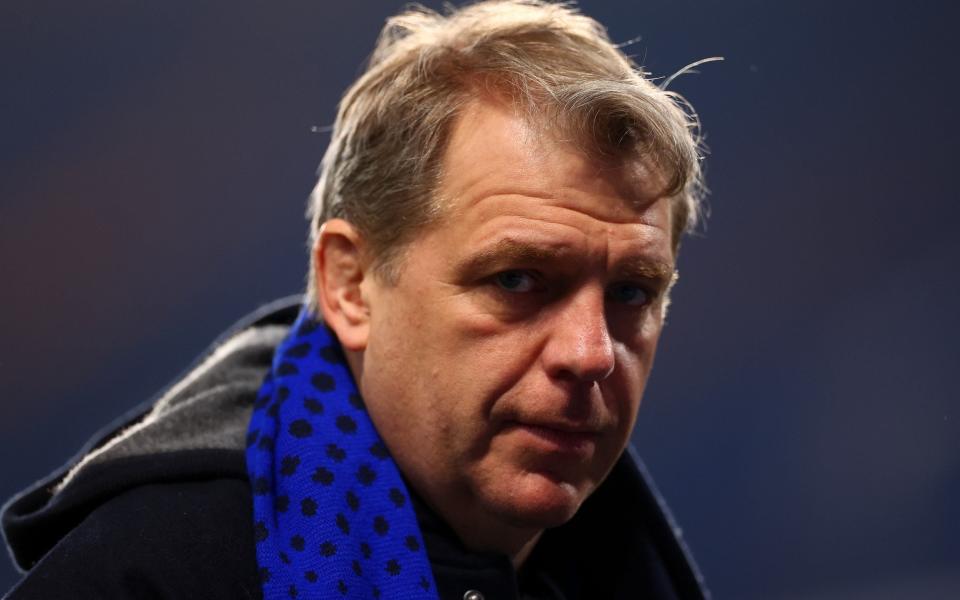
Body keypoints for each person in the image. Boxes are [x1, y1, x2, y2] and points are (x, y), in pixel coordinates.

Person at [2, 1, 710, 598]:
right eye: (516, 280)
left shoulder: (631, 565)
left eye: (630, 292)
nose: (589, 353)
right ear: (350, 286)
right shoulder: (154, 573)